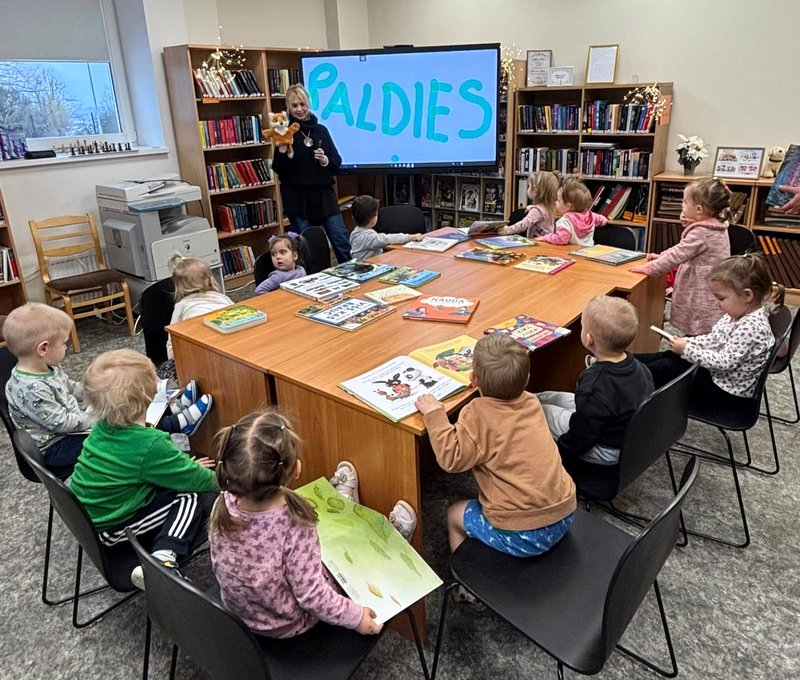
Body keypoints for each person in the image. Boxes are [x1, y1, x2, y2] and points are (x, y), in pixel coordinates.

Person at [208, 409, 417, 639]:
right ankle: (391, 546)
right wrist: (357, 618)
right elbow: (313, 597)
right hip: (289, 624)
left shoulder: (225, 501)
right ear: (296, 469)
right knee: (344, 558)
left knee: (312, 551)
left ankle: (344, 506)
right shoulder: (294, 524)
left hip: (242, 616)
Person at [415, 333, 576, 562]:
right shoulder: (532, 402)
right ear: (527, 379)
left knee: (453, 514)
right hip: (565, 512)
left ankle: (464, 580)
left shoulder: (477, 414)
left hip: (522, 535)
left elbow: (451, 458)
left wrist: (435, 415)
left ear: (473, 378)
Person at [68, 349, 219, 588]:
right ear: (149, 395)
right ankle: (163, 559)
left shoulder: (102, 427)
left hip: (88, 520)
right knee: (191, 496)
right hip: (115, 530)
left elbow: (146, 466)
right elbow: (200, 480)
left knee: (176, 481)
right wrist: (233, 482)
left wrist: (184, 467)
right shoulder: (150, 443)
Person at [3, 304, 211, 474]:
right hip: (57, 447)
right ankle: (176, 424)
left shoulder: (46, 367)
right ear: (43, 348)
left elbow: (73, 388)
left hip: (73, 428)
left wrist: (102, 392)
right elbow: (62, 423)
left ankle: (172, 411)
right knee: (123, 425)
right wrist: (100, 416)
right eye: (64, 343)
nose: (66, 347)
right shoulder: (31, 389)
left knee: (122, 403)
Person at [636, 254, 784, 411]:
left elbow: (724, 362)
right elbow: (714, 339)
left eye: (721, 298)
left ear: (747, 295)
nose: (716, 303)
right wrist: (688, 343)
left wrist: (687, 350)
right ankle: (630, 365)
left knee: (668, 367)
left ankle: (632, 380)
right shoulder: (736, 314)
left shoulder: (752, 328)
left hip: (726, 394)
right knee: (669, 357)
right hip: (718, 377)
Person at [537, 295, 654, 478]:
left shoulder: (594, 385)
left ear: (588, 339)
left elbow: (581, 438)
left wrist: (561, 454)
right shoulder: (640, 367)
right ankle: (531, 400)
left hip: (607, 449)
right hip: (624, 433)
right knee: (547, 397)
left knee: (541, 411)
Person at [630, 177, 731, 336]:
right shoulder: (714, 225)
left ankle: (694, 345)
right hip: (709, 283)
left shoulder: (702, 232)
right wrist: (661, 256)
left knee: (699, 321)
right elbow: (683, 249)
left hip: (701, 288)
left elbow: (678, 254)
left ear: (699, 210)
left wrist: (651, 268)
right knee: (701, 323)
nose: (682, 206)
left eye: (684, 202)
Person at [271, 83, 352, 264]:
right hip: (298, 198)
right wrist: (283, 151)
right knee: (307, 247)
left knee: (340, 238)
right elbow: (278, 168)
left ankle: (351, 271)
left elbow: (336, 162)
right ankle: (312, 276)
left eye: (302, 104)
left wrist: (325, 160)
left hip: (324, 195)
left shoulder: (321, 130)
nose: (299, 109)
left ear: (308, 104)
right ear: (288, 108)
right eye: (294, 106)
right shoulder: (284, 132)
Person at [166, 253, 233, 362]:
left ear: (178, 287)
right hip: (226, 349)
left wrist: (172, 360)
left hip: (196, 355)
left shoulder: (181, 306)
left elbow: (172, 337)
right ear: (210, 280)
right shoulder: (222, 298)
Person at [535, 175, 607, 246]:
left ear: (569, 206)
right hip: (588, 250)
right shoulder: (591, 216)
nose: (555, 202)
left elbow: (561, 239)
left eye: (558, 200)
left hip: (571, 252)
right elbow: (603, 220)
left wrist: (546, 237)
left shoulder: (565, 221)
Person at [349, 195, 424, 261]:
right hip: (368, 267)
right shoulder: (369, 237)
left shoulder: (354, 233)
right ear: (374, 219)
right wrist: (409, 237)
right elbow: (387, 239)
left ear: (353, 218)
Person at [499, 170, 559, 238]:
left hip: (537, 242)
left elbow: (524, 224)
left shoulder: (537, 210)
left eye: (529, 186)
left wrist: (508, 230)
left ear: (535, 191)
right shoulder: (549, 207)